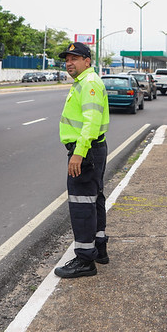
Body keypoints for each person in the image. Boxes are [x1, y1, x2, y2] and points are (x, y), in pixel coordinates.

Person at [55, 42, 110, 279]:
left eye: (74, 58)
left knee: (81, 203)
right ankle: (99, 249)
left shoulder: (88, 83)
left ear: (87, 61)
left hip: (86, 150)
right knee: (94, 198)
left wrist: (78, 152)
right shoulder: (85, 82)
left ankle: (85, 260)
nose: (69, 63)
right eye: (67, 59)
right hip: (91, 150)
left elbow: (91, 122)